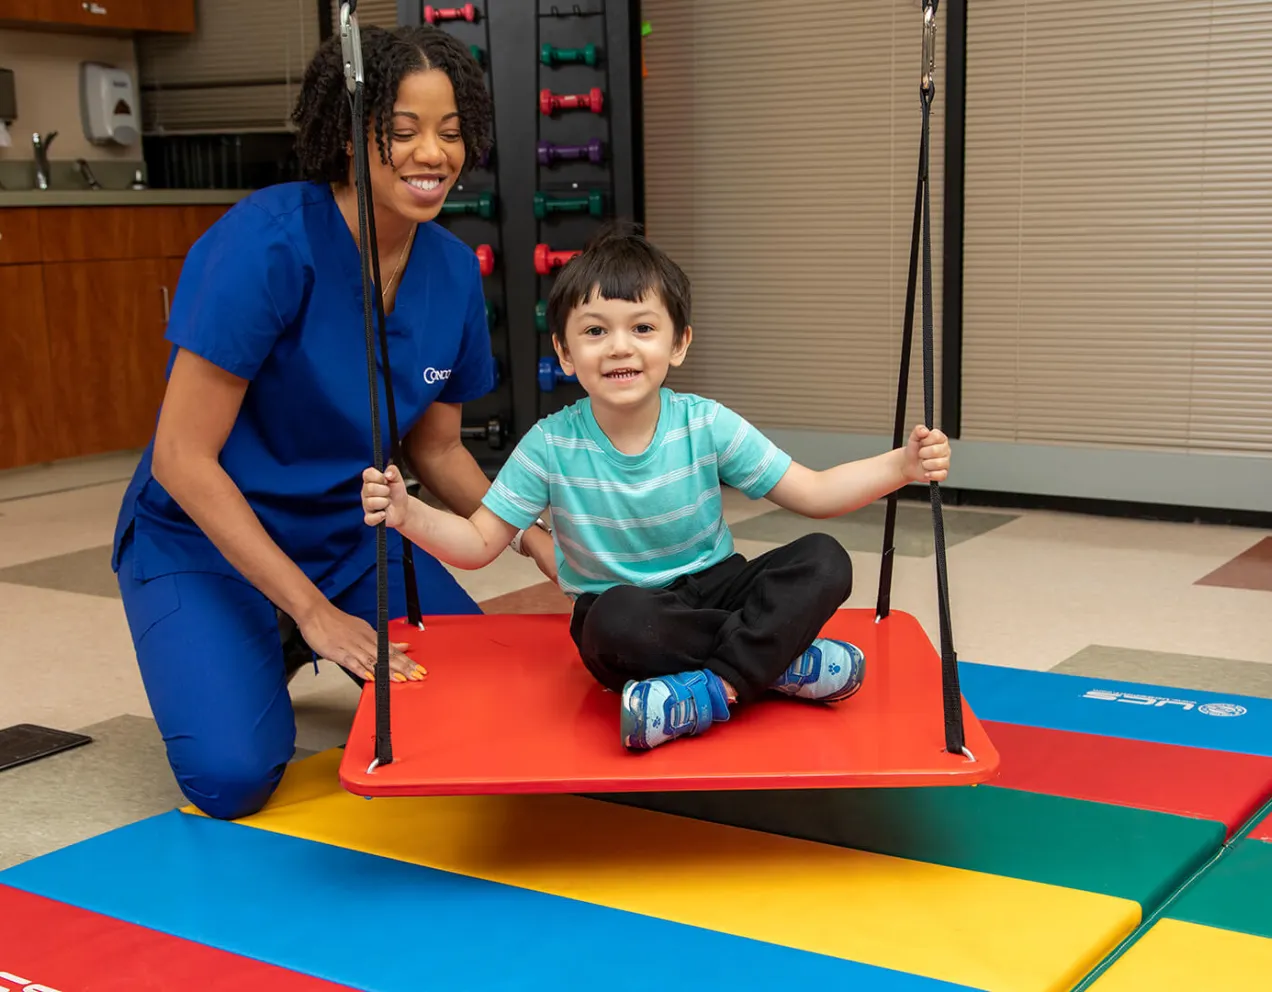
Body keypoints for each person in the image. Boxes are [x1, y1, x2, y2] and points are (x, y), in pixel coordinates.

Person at [111, 25, 555, 820]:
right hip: (200, 536)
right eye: (404, 131)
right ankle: (273, 623)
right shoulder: (265, 244)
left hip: (347, 536)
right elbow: (182, 457)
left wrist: (532, 536)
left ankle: (278, 624)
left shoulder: (451, 271)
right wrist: (314, 613)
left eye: (450, 133)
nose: (433, 154)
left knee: (478, 702)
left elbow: (440, 449)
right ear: (351, 137)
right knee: (233, 776)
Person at [361, 225, 951, 751]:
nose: (620, 346)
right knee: (614, 622)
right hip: (628, 614)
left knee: (824, 560)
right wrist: (410, 513)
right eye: (595, 331)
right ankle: (774, 663)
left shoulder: (705, 422)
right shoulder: (549, 445)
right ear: (565, 353)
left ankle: (715, 686)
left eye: (642, 328)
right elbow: (477, 543)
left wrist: (900, 466)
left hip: (718, 588)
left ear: (679, 343)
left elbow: (816, 492)